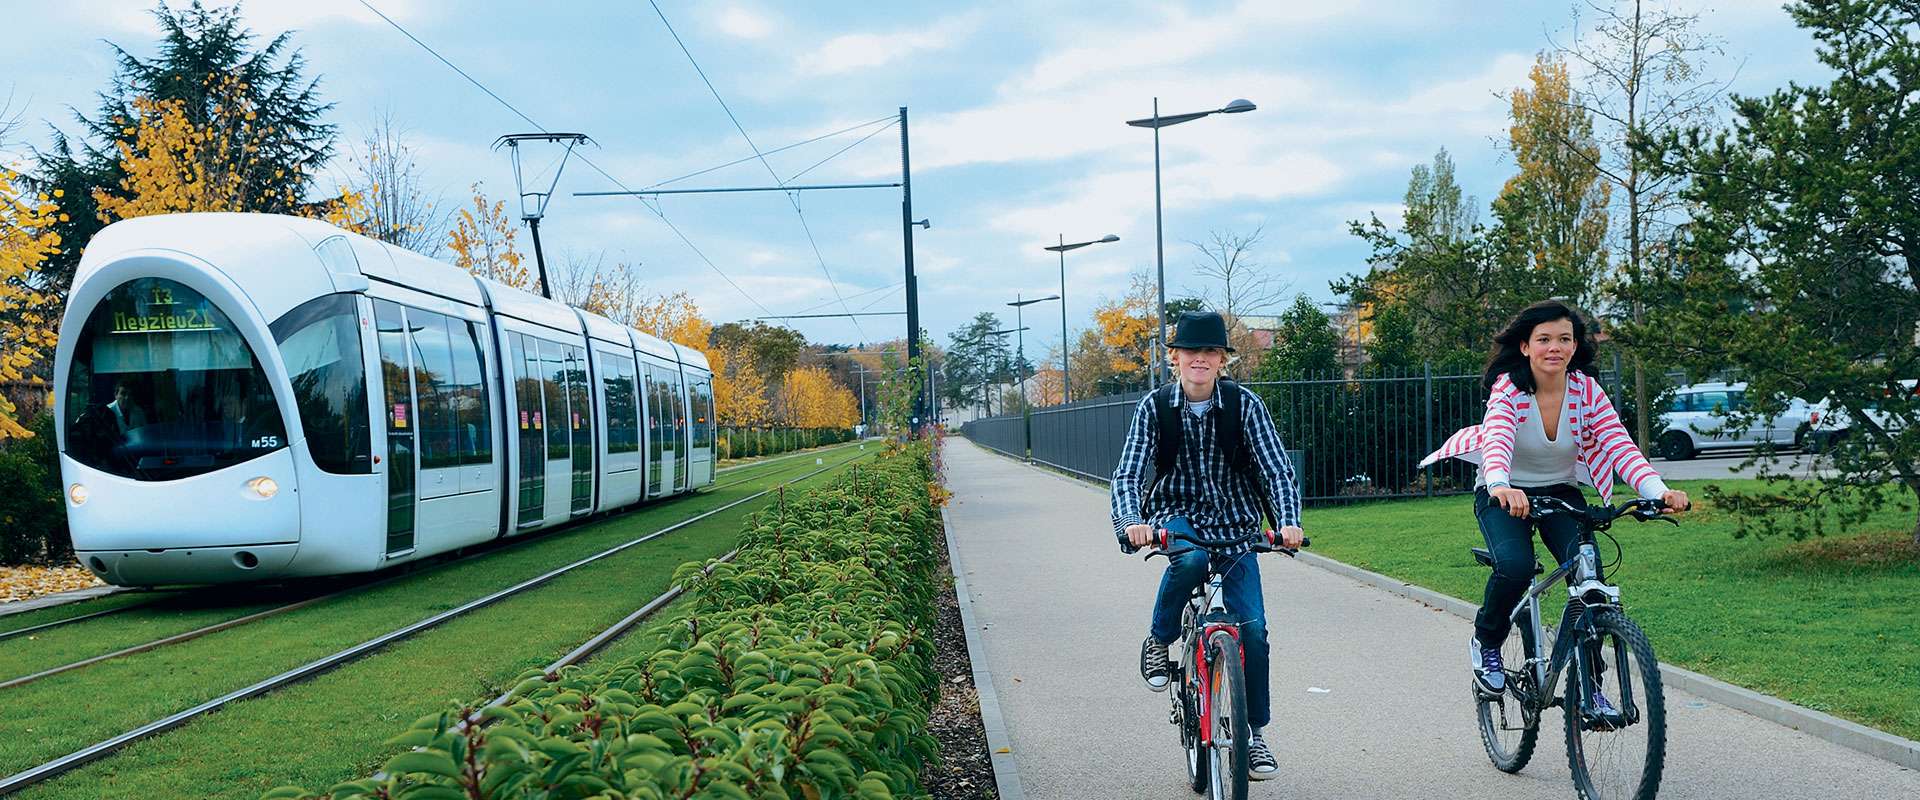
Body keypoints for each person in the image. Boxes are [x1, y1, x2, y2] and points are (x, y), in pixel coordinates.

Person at [1418, 300, 1688, 708]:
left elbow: (1621, 448)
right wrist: (1500, 485)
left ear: (1575, 346)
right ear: (1526, 347)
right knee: (1516, 566)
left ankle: (1591, 689)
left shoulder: (1586, 391)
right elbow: (1496, 441)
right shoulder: (1509, 387)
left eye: (1564, 339)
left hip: (1560, 491)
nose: (1554, 348)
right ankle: (1486, 642)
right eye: (1544, 339)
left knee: (1590, 582)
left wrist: (1659, 491)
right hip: (1502, 490)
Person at [1110, 310, 1304, 782]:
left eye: (1210, 352)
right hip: (1177, 519)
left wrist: (1289, 524)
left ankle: (1254, 736)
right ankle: (1159, 640)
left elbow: (1276, 469)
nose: (1201, 358)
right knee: (1192, 560)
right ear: (1174, 358)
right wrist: (1131, 522)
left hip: (1236, 525)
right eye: (1191, 351)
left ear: (1221, 361)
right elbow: (1129, 473)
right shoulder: (1155, 408)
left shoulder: (1245, 406)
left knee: (1253, 631)